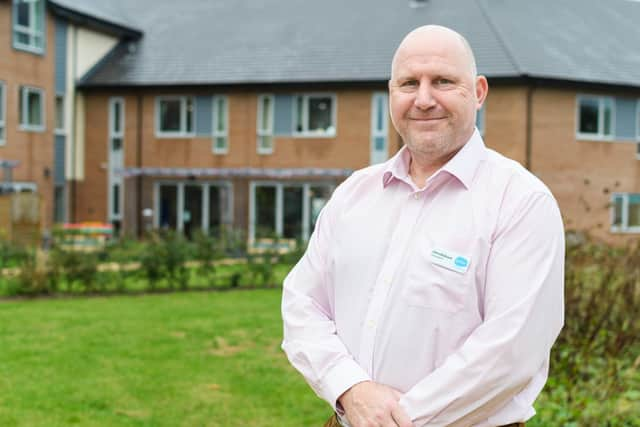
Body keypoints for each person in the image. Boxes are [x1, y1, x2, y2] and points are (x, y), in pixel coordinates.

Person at [281, 25, 564, 427]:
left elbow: (511, 348)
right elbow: (301, 303)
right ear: (391, 92)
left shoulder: (520, 202)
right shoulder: (353, 195)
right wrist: (349, 388)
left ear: (479, 91)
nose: (424, 99)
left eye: (444, 81)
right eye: (409, 83)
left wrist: (393, 420)